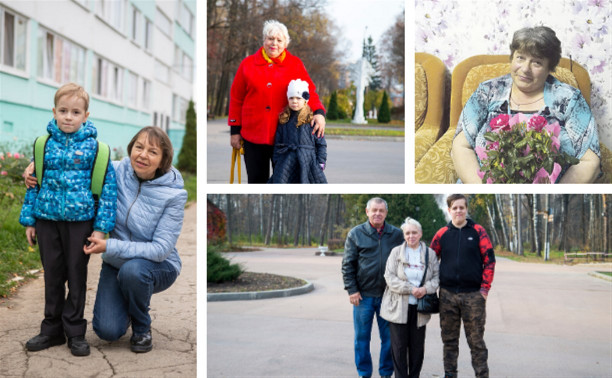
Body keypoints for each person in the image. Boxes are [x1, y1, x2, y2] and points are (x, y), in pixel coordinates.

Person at [24, 127, 187, 354]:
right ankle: (129, 302)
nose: (142, 155)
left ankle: (142, 327)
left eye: (152, 152)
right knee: (108, 331)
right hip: (117, 262)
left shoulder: (174, 195)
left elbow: (160, 250)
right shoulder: (118, 171)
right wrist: (35, 169)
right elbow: (80, 164)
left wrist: (109, 245)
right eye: (139, 147)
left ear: (163, 160)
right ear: (131, 149)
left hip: (157, 266)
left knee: (133, 272)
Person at [19, 83, 117, 357]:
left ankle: (74, 331)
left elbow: (108, 191)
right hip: (47, 220)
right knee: (52, 275)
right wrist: (30, 220)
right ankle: (51, 330)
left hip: (80, 223)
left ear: (86, 115)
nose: (68, 117)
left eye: (75, 112)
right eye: (63, 111)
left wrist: (100, 230)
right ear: (54, 112)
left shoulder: (97, 150)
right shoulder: (43, 145)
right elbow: (33, 185)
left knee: (76, 275)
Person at [451, 26, 601, 183]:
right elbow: (461, 146)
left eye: (536, 62)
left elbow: (589, 161)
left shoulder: (568, 99)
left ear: (550, 68)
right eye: (520, 58)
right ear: (512, 58)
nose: (525, 69)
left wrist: (552, 196)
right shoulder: (488, 91)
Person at [228, 19, 326, 183]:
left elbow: (309, 92)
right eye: (270, 38)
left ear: (285, 43)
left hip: (285, 137)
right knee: (256, 181)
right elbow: (236, 98)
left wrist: (319, 112)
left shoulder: (294, 64)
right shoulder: (247, 64)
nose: (274, 43)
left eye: (279, 40)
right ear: (264, 40)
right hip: (253, 135)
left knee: (283, 181)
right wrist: (234, 131)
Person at [430, 194, 496, 378]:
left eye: (462, 207)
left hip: (473, 296)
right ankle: (450, 374)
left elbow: (489, 261)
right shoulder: (442, 234)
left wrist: (484, 290)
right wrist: (432, 287)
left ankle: (481, 374)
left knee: (476, 341)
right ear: (449, 210)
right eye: (455, 207)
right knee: (449, 341)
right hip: (447, 296)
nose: (458, 210)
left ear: (467, 209)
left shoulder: (478, 231)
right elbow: (430, 261)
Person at [342, 197, 404, 378]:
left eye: (381, 211)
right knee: (361, 339)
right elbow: (348, 264)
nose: (377, 213)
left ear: (386, 213)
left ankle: (385, 373)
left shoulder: (396, 234)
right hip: (363, 297)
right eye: (374, 210)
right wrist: (352, 290)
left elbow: (403, 263)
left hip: (389, 296)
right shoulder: (356, 234)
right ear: (367, 212)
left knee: (389, 340)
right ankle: (364, 373)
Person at [381, 217, 439, 378]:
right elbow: (389, 277)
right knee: (399, 348)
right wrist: (411, 289)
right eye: (407, 233)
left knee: (417, 348)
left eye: (414, 232)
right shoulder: (396, 252)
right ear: (404, 235)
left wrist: (425, 289)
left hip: (420, 309)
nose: (411, 236)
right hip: (399, 307)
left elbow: (436, 278)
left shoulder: (430, 254)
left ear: (420, 234)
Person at [269, 79, 327, 183]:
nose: (294, 101)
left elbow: (321, 144)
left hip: (308, 163)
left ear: (305, 100)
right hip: (286, 163)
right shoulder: (284, 119)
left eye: (298, 98)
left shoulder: (312, 121)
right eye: (291, 98)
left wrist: (320, 162)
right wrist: (277, 160)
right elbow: (278, 143)